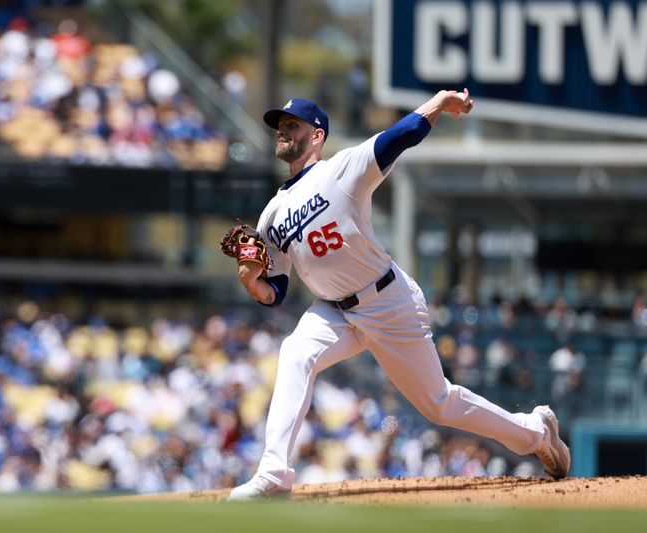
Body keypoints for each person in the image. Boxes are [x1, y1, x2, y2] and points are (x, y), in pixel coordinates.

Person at [227, 90, 570, 501]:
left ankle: (534, 432)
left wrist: (440, 103)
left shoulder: (342, 169)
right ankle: (273, 476)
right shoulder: (272, 213)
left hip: (387, 301)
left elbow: (402, 134)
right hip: (333, 312)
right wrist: (252, 282)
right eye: (279, 126)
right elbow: (276, 292)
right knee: (295, 353)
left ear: (316, 135)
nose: (282, 131)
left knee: (437, 404)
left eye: (291, 125)